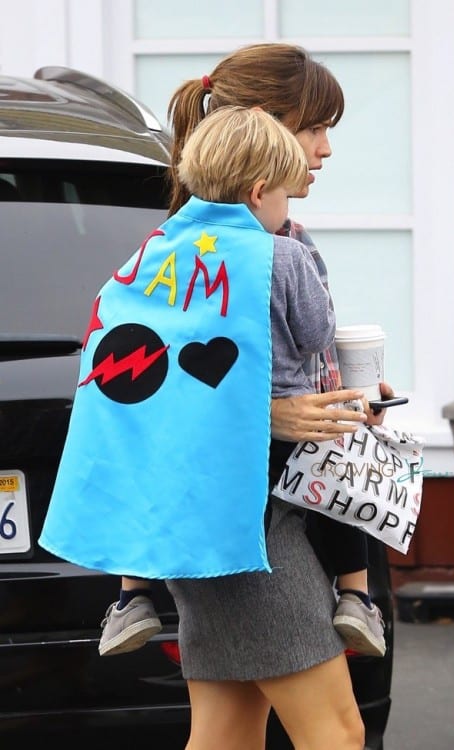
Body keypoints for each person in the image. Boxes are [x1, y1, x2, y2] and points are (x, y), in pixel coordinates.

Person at [99, 44, 388, 665]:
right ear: (262, 125)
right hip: (246, 520)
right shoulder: (202, 254)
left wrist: (349, 400)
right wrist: (267, 415)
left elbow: (300, 352)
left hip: (296, 502)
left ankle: (131, 598)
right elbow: (143, 383)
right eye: (314, 127)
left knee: (229, 728)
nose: (325, 148)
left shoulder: (281, 239)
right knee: (335, 730)